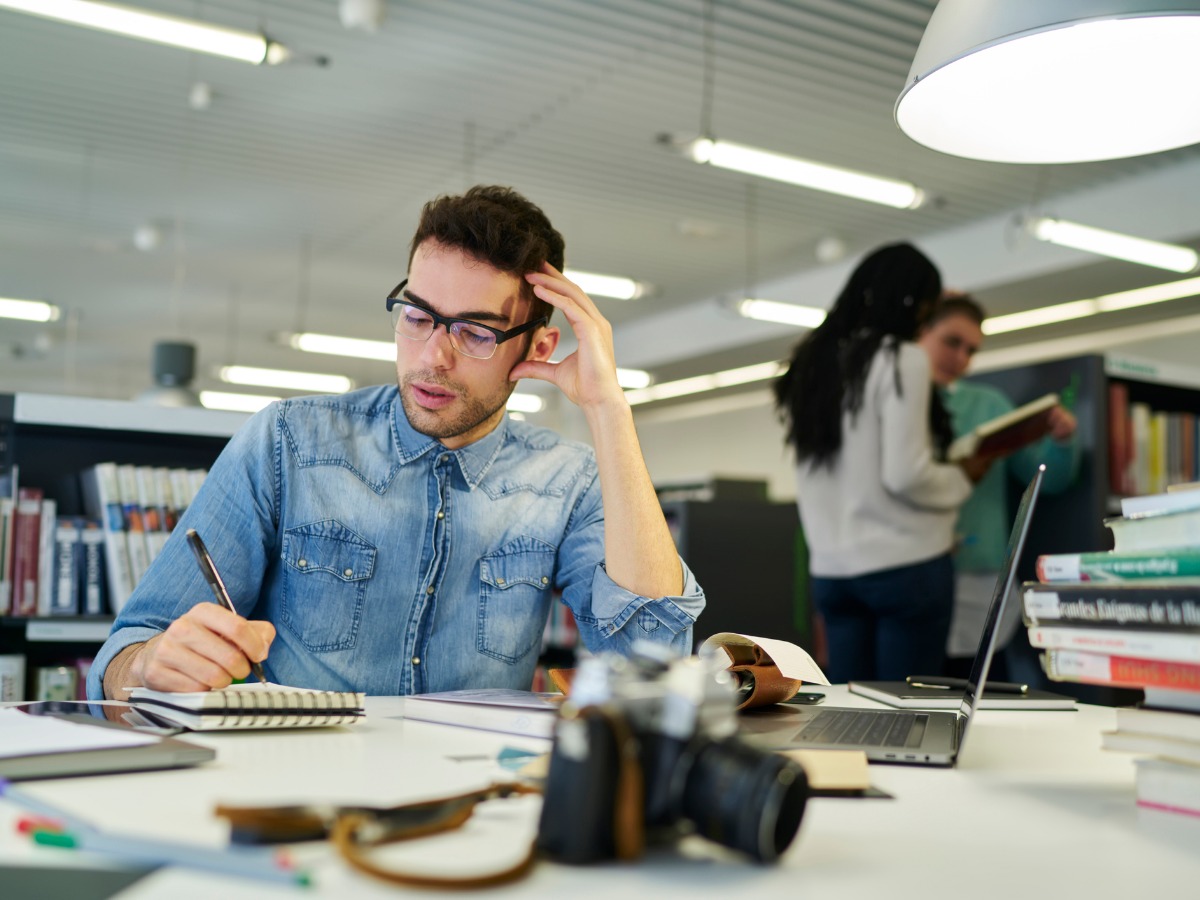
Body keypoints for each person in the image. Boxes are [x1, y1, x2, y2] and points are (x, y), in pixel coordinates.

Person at [87, 185, 705, 701]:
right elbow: (122, 653)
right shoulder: (288, 443)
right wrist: (146, 666)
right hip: (301, 798)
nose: (433, 357)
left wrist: (609, 410)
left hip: (474, 813)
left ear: (537, 348)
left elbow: (651, 658)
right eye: (417, 317)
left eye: (476, 332)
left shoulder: (566, 481)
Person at [774, 243, 979, 683]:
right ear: (913, 300)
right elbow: (906, 474)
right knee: (906, 718)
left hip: (831, 572)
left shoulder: (809, 364)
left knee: (851, 708)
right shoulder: (900, 357)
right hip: (905, 567)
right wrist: (962, 477)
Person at [917, 294, 1078, 682]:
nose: (961, 358)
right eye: (951, 342)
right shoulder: (896, 402)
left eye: (971, 349)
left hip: (980, 576)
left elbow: (1047, 478)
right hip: (913, 570)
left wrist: (1062, 440)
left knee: (981, 690)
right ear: (921, 332)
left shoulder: (988, 403)